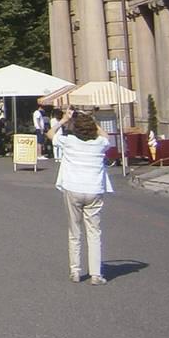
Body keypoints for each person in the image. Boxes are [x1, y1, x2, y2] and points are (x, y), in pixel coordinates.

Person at [47, 107, 113, 284]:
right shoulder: (100, 144)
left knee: (74, 230)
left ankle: (75, 270)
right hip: (94, 188)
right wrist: (93, 121)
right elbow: (107, 137)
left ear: (75, 129)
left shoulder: (69, 141)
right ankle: (96, 274)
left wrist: (64, 120)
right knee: (94, 232)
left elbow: (50, 134)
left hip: (73, 187)